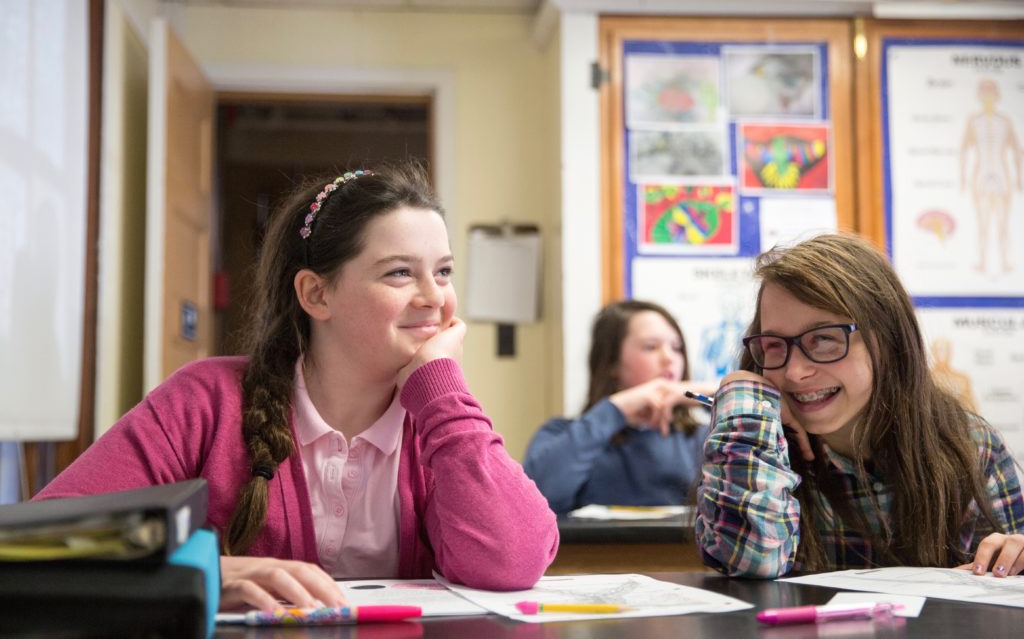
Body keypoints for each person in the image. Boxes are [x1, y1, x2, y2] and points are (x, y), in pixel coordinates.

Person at [36, 162, 558, 609]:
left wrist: (444, 393)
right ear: (316, 294)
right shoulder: (205, 401)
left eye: (443, 272)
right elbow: (46, 545)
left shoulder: (441, 421)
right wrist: (205, 573)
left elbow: (513, 563)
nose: (435, 298)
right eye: (400, 273)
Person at [696, 232, 1024, 579]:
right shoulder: (754, 440)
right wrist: (742, 391)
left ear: (888, 340)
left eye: (823, 339)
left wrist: (1013, 557)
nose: (795, 371)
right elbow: (749, 560)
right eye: (775, 344)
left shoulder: (969, 445)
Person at [524, 300, 717, 514]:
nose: (669, 358)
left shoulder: (704, 438)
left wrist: (712, 393)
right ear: (612, 362)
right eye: (651, 347)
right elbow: (534, 502)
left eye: (676, 347)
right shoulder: (561, 434)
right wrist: (616, 409)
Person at [959, 78, 1022, 274]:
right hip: (981, 175)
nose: (988, 98)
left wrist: (1019, 178)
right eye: (984, 94)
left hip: (1002, 175)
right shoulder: (973, 122)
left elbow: (1016, 150)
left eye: (991, 94)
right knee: (983, 222)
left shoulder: (1005, 121)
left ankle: (1004, 261)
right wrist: (962, 178)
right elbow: (963, 150)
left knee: (1002, 222)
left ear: (996, 96)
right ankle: (982, 261)